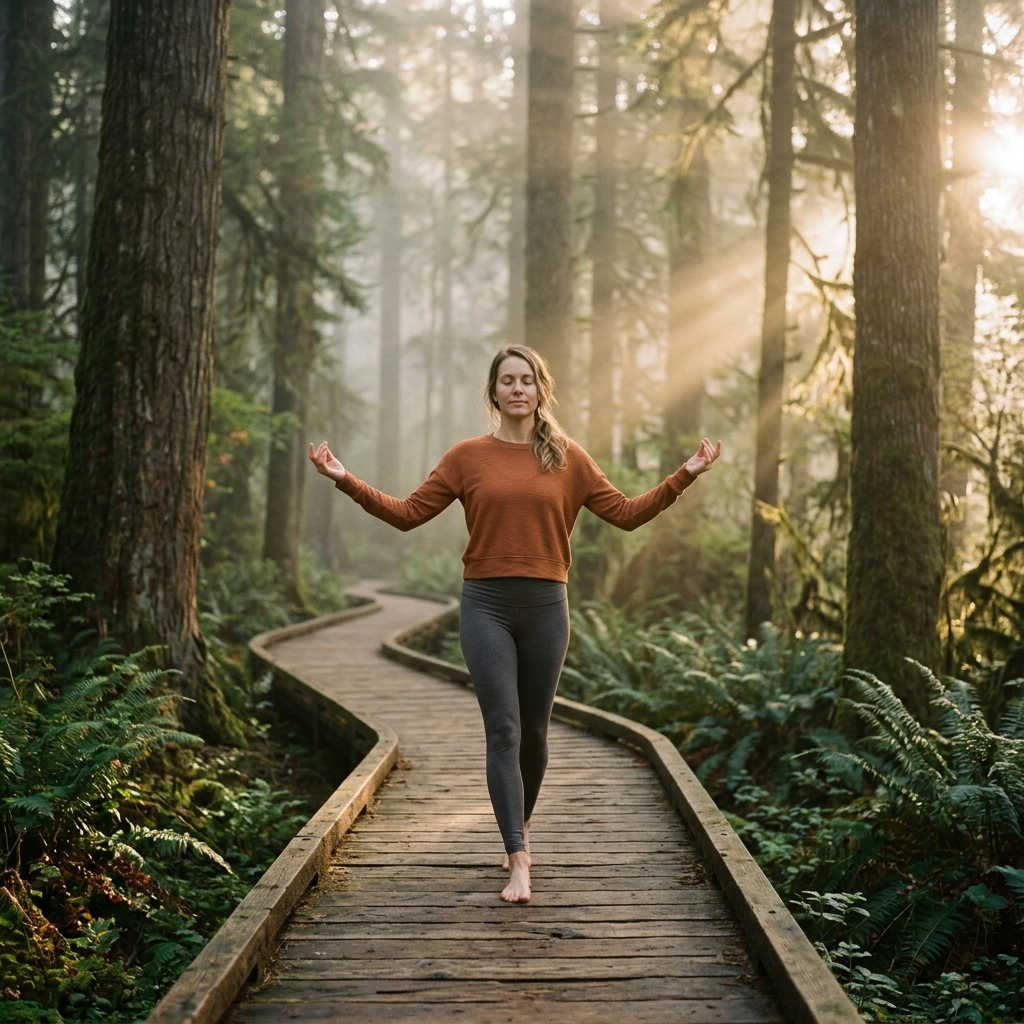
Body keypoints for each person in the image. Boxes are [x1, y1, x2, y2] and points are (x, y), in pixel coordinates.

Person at [309, 344, 721, 903]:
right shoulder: (466, 457)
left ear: (539, 389)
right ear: (494, 391)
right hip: (486, 606)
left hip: (548, 607)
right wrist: (344, 477)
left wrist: (685, 475)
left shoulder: (567, 458)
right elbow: (407, 515)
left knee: (534, 732)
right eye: (507, 380)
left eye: (527, 380)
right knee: (503, 729)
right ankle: (519, 859)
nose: (517, 389)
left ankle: (517, 828)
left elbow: (626, 514)